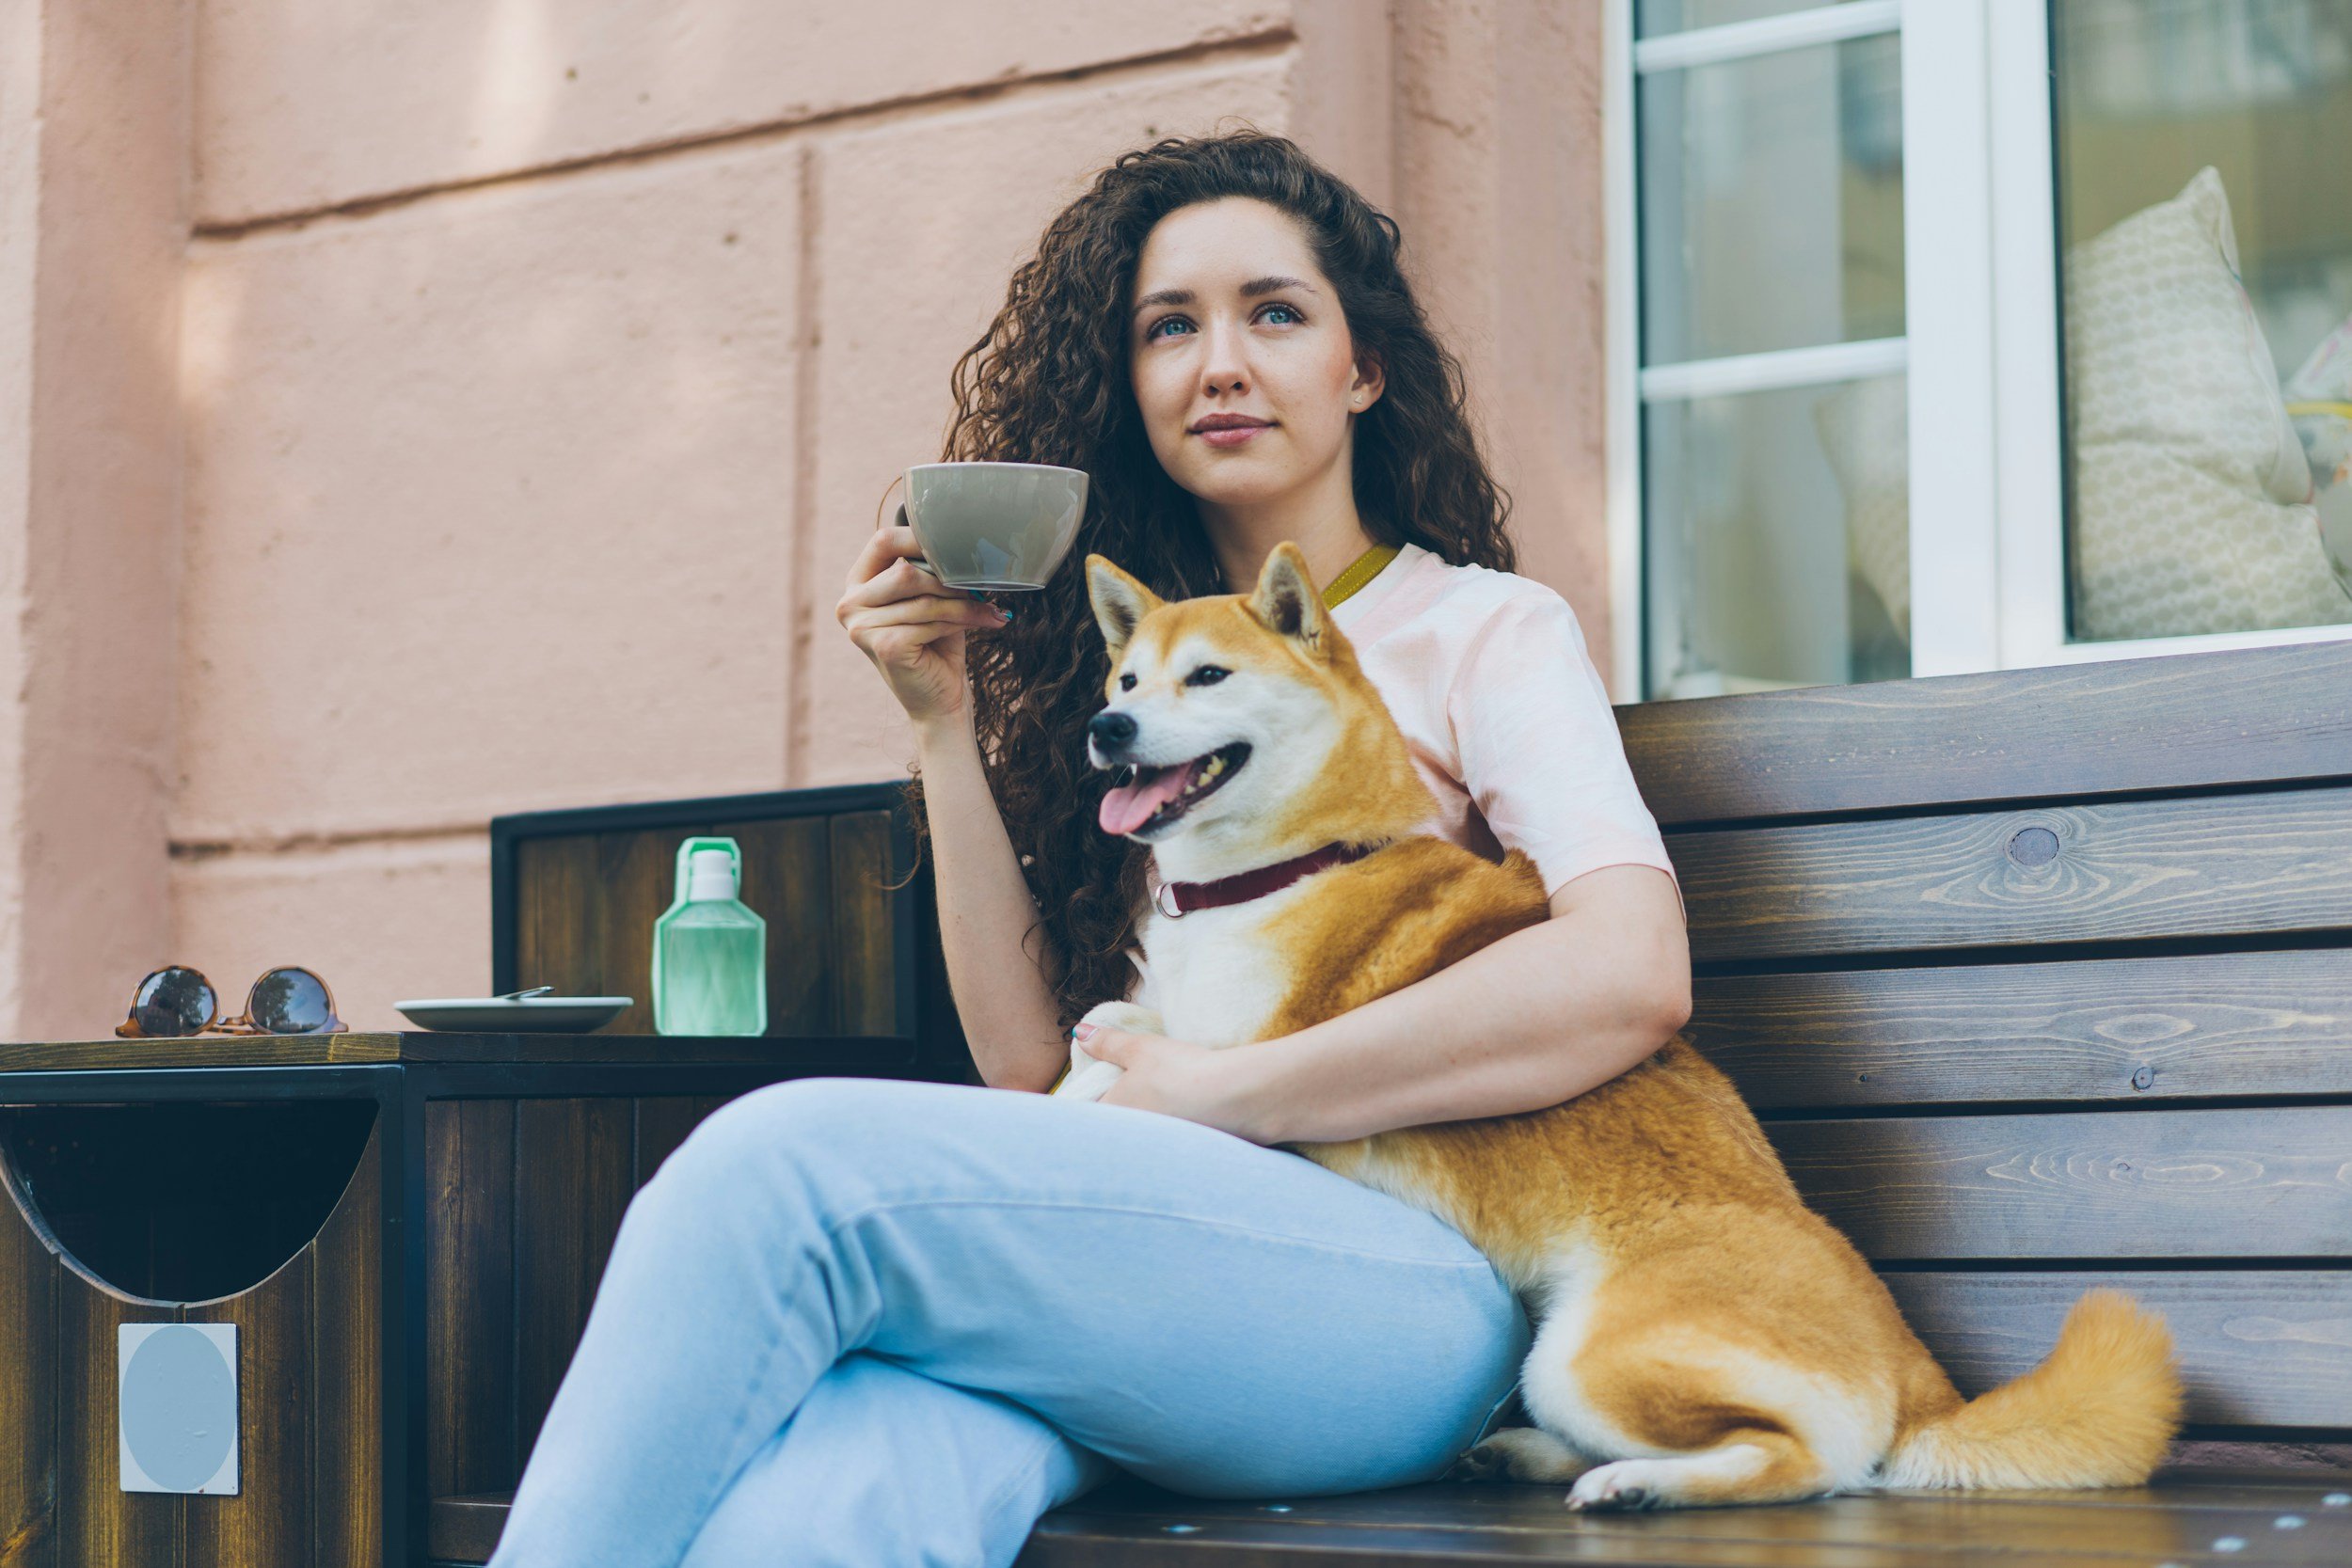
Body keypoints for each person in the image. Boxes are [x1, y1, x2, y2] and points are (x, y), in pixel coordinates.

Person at [487, 130, 1690, 1568]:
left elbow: (1630, 973)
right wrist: (940, 721)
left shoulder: (1484, 629)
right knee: (839, 1494)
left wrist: (1226, 1095)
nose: (1220, 364)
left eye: (1276, 313)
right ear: (1129, 388)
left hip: (1420, 1289)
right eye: (1169, 328)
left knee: (781, 1167)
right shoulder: (1142, 679)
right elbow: (1025, 1073)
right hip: (1145, 1267)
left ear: (1364, 368)